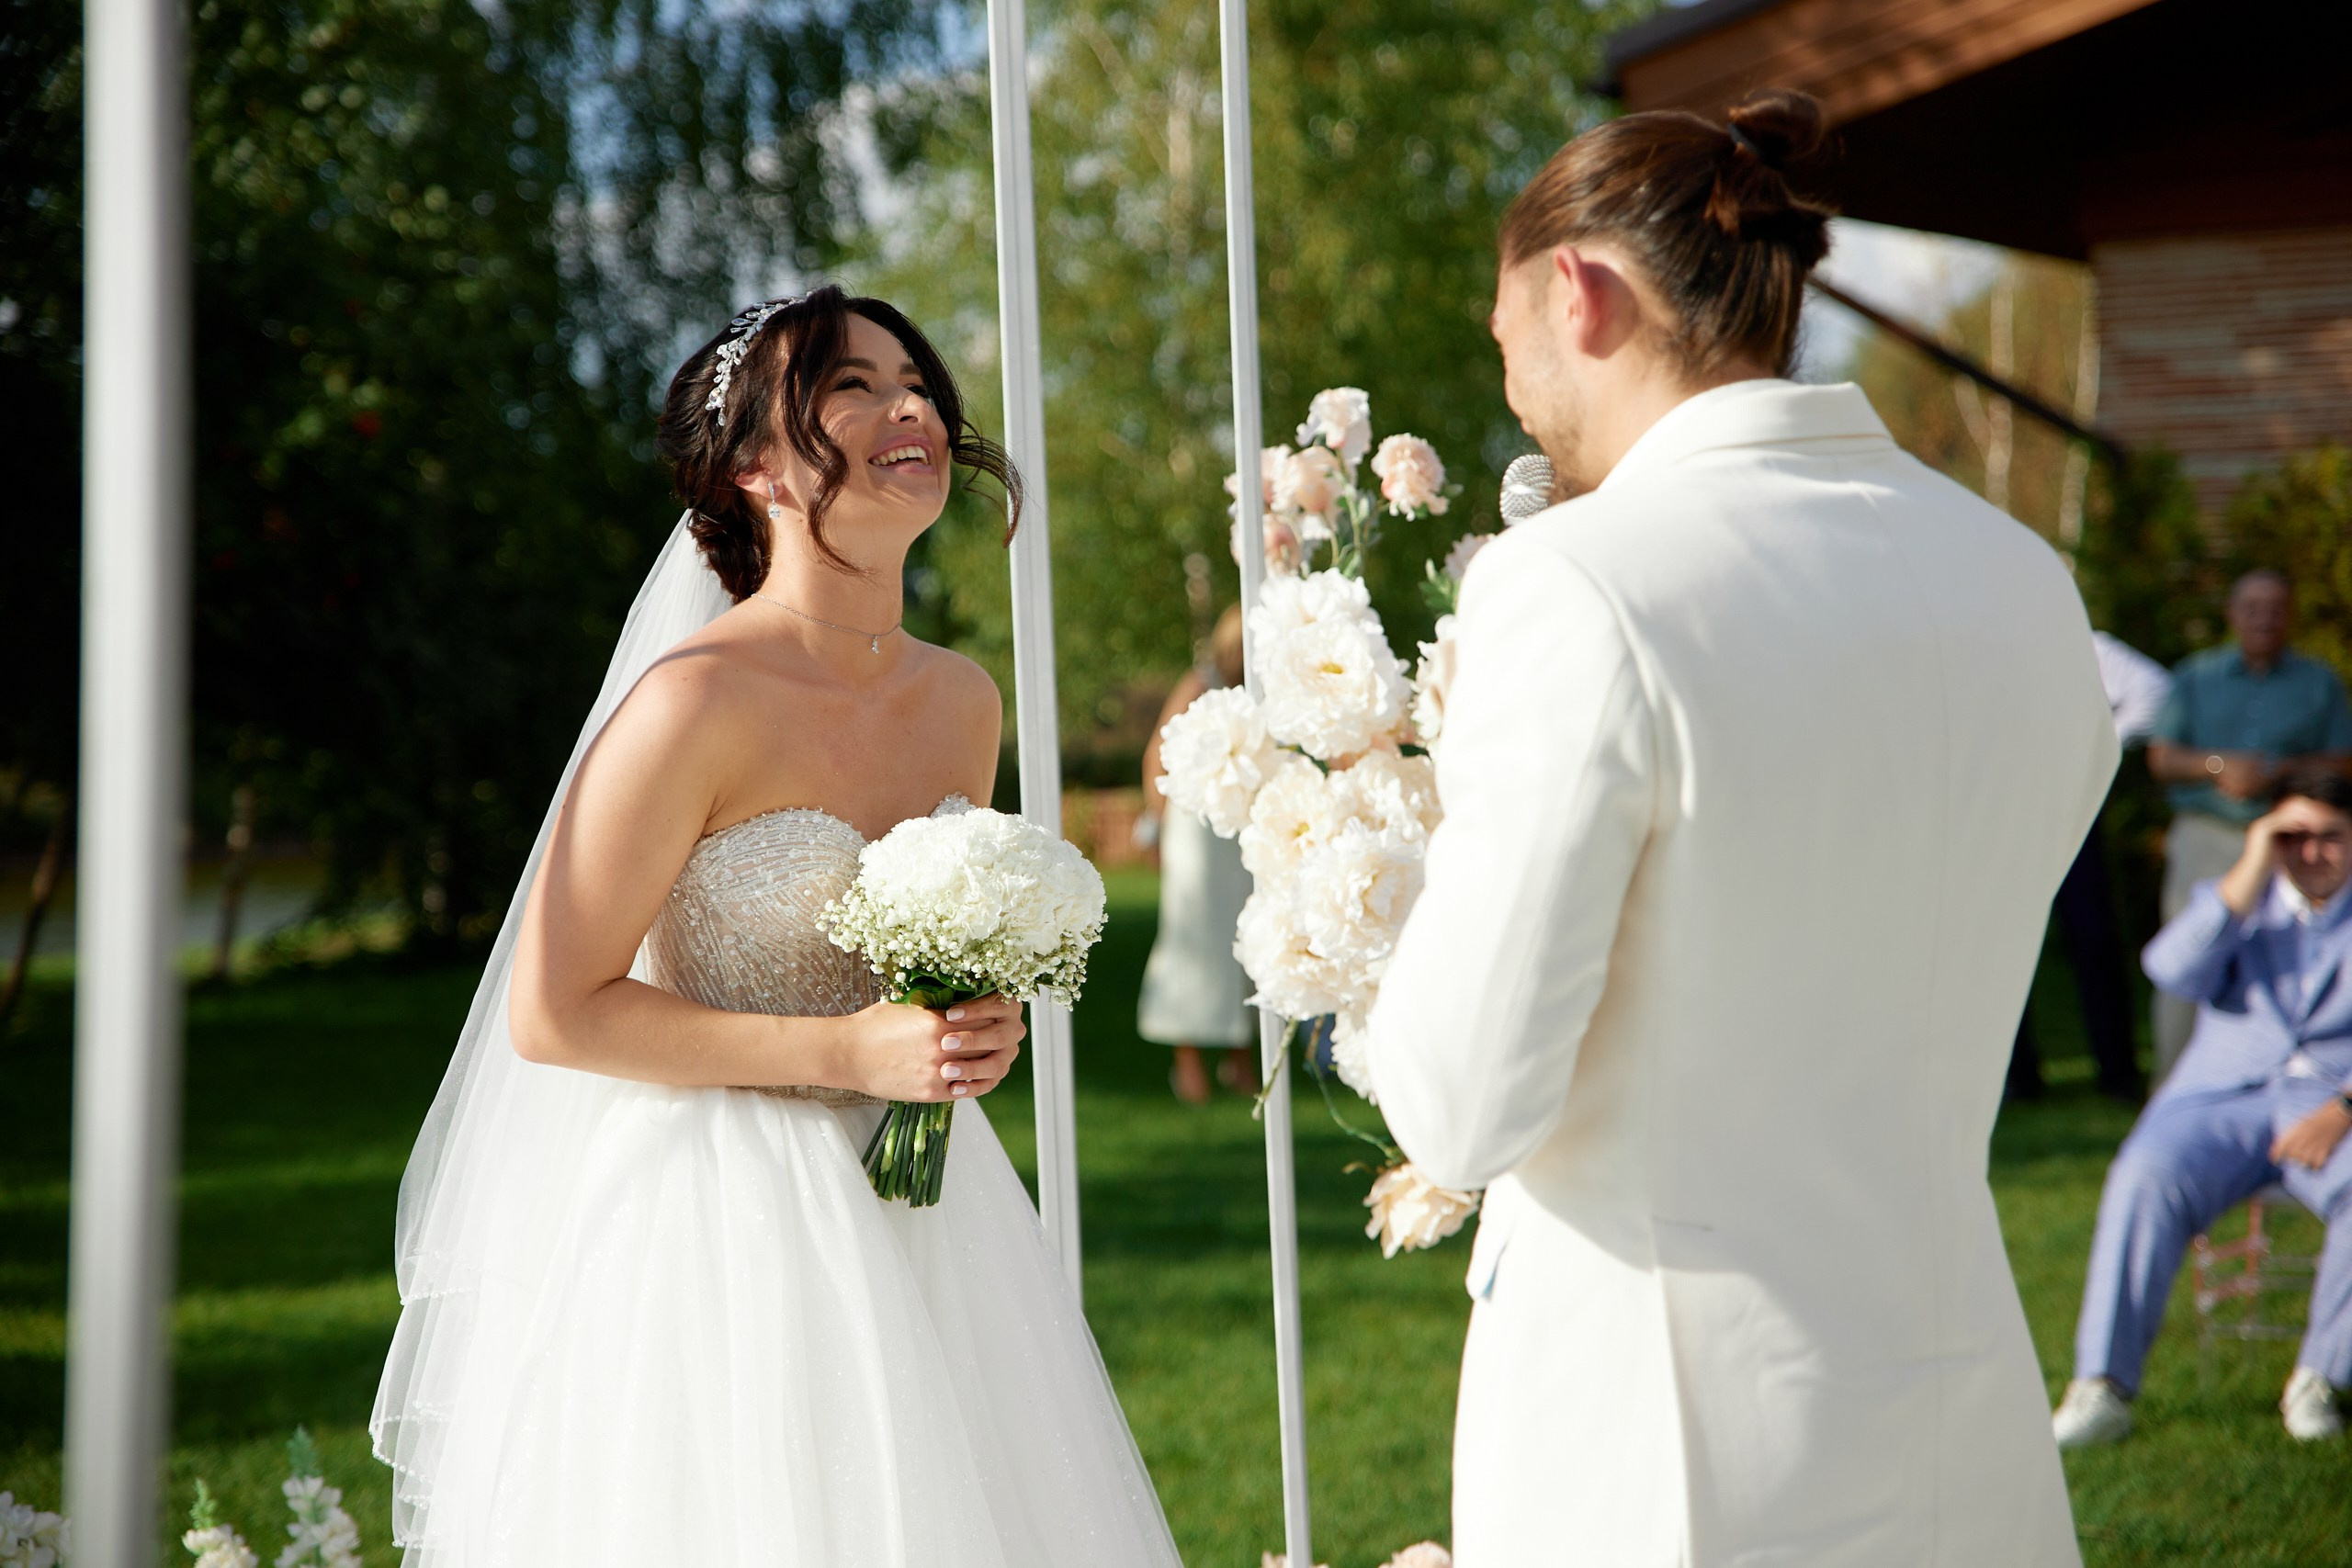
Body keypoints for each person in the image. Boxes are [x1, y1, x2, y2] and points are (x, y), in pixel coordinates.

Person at [1364, 89, 2115, 1566]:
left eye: (1498, 330)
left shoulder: (1574, 585)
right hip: (1961, 1405)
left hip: (1665, 1443)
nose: (1509, 381)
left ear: (1577, 291)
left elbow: (1461, 1103)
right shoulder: (2024, 578)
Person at [369, 287, 1182, 1565]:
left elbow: (914, 945)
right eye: (849, 387)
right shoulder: (691, 702)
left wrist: (970, 1017)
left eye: (913, 379)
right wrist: (852, 1055)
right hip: (718, 1225)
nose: (907, 404)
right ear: (756, 465)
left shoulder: (960, 700)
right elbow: (556, 1005)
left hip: (925, 1210)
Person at [2052, 767, 2352, 1448]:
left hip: (2332, 1104)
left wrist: (2343, 1108)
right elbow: (2171, 970)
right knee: (2143, 1173)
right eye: (2293, 836)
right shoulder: (2235, 903)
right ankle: (2102, 1386)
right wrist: (2250, 866)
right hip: (2216, 1099)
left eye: (2330, 837)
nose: (2311, 853)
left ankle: (2320, 1378)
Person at [2144, 570, 2352, 1081]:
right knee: (2192, 954)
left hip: (2294, 842)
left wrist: (2281, 771)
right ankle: (2175, 1089)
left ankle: (2290, 1083)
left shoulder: (2318, 681)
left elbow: (2344, 761)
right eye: (2253, 607)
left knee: (2294, 960)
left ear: (2290, 616)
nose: (2265, 617)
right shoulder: (2196, 676)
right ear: (2231, 614)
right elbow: (2162, 757)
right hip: (2209, 835)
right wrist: (2218, 765)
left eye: (2276, 607)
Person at [2008, 630, 2171, 1102]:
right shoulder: (1972, 644)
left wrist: (2102, 746)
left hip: (2070, 813)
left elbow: (2155, 691)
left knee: (2094, 941)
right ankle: (2018, 1079)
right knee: (2004, 949)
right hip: (1998, 821)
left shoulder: (2079, 642)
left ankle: (2117, 1073)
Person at [1138, 604, 1258, 1102]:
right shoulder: (1199, 683)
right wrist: (1152, 826)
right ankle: (1186, 1062)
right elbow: (1155, 756)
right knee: (1192, 938)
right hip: (1193, 831)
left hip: (1238, 833)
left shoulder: (1259, 693)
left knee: (1242, 934)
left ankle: (1239, 1058)